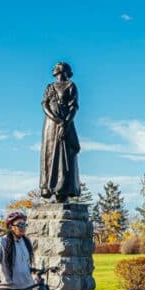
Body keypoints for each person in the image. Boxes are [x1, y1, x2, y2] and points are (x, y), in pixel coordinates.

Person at [39, 61, 81, 201]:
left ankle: (63, 190)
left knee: (65, 155)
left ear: (63, 70)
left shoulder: (70, 85)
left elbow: (73, 107)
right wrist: (56, 120)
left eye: (58, 66)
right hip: (50, 124)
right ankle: (47, 187)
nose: (55, 67)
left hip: (66, 123)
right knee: (49, 155)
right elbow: (44, 104)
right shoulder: (49, 86)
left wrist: (65, 124)